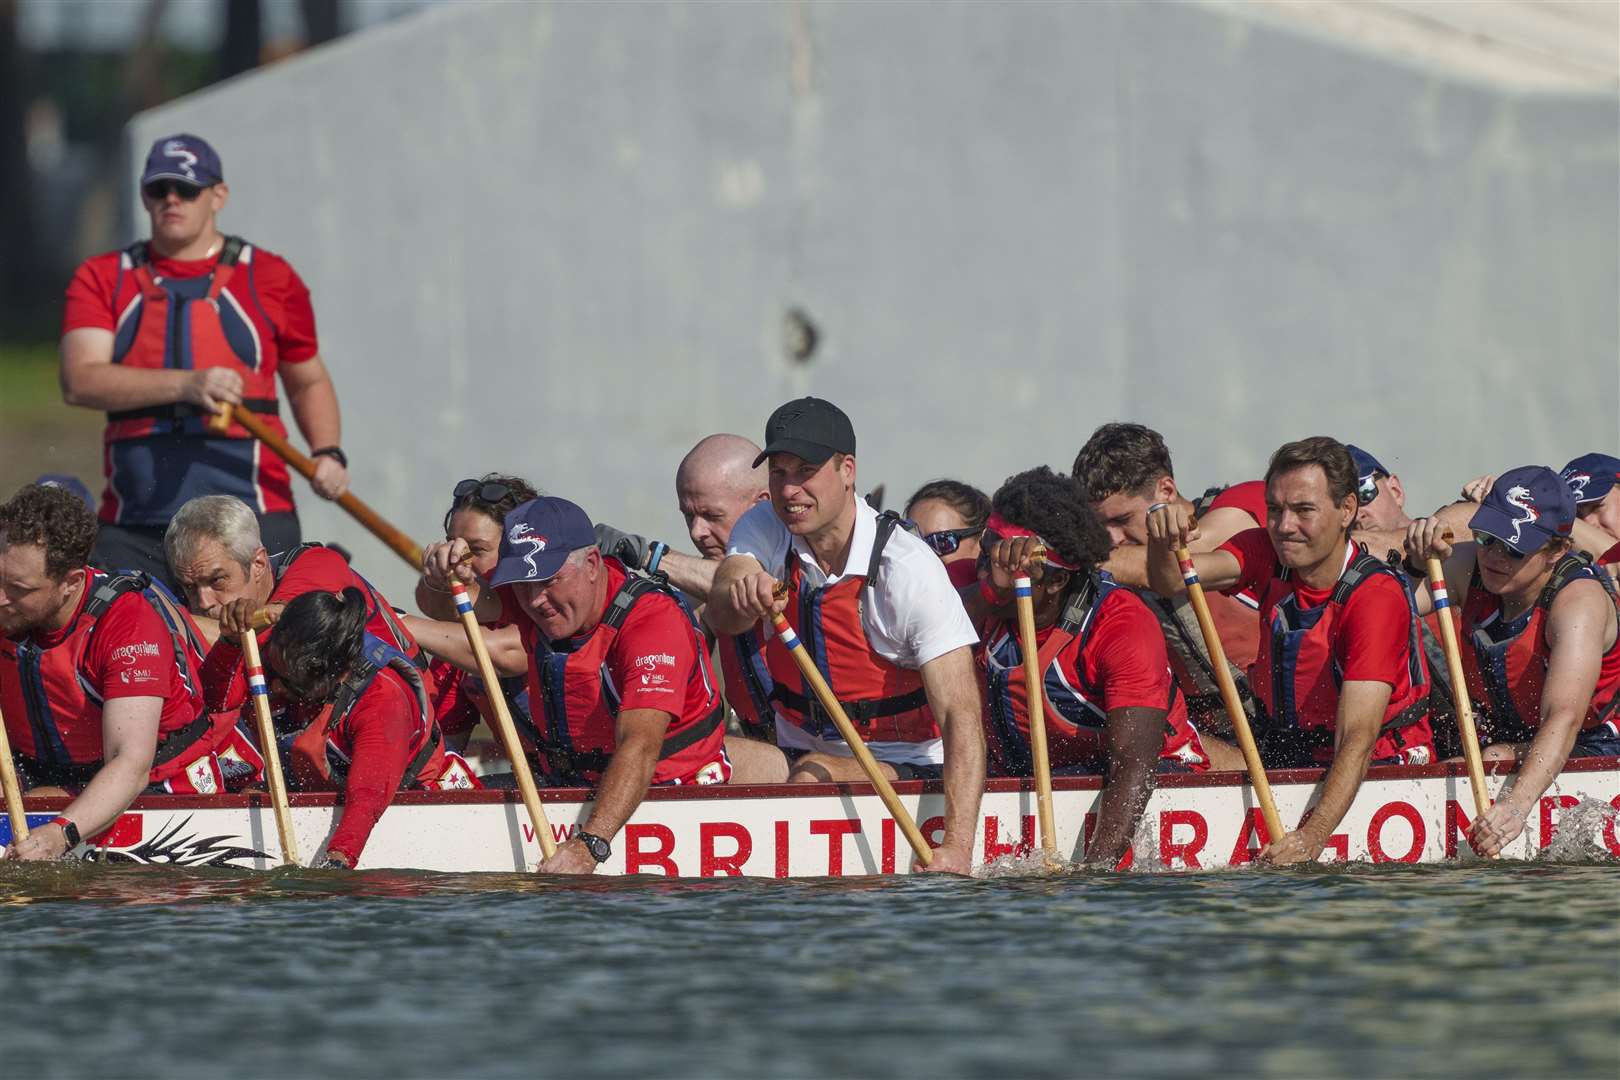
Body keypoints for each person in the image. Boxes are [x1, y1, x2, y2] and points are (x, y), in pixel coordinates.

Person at [708, 397, 986, 875]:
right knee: (699, 762)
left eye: (806, 470)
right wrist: (740, 589)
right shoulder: (766, 524)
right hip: (799, 749)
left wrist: (957, 848)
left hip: (909, 765)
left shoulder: (908, 570)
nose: (790, 489)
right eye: (778, 472)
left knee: (811, 777)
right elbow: (727, 598)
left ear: (847, 470)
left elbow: (961, 716)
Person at [58, 134, 349, 583]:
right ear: (144, 196)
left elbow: (307, 380)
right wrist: (188, 385)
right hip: (137, 521)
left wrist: (327, 452)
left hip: (253, 518)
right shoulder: (102, 277)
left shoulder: (271, 277)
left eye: (187, 189)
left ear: (218, 196)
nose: (172, 199)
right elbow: (80, 380)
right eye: (159, 189)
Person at [1146, 437, 1436, 864]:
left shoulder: (1374, 595)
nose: (1284, 525)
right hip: (1289, 749)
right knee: (1166, 746)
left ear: (1347, 511)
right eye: (1275, 509)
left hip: (1381, 763)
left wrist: (1313, 836)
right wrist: (1160, 535)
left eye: (1303, 510)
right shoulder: (1265, 551)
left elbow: (1357, 737)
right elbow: (1172, 580)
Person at [421, 496, 734, 874]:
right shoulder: (535, 589)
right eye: (523, 585)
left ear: (591, 565)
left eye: (550, 581)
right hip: (571, 782)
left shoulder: (652, 622)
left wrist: (590, 845)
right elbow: (440, 606)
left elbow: (640, 745)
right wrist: (439, 577)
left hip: (667, 787)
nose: (536, 600)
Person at [964, 468, 1242, 866]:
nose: (989, 567)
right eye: (989, 549)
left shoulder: (1121, 622)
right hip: (1045, 778)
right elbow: (928, 631)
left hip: (1147, 775)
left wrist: (1096, 876)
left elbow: (1133, 762)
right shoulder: (980, 598)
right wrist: (994, 587)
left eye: (1005, 555)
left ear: (1056, 581)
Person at [0, 484, 226, 861]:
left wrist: (60, 835)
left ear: (70, 582)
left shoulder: (126, 623)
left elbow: (130, 763)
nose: (0, 597)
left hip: (153, 785)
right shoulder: (12, 607)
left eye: (18, 588)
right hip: (45, 776)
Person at [1405, 467, 1620, 857]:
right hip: (1508, 730)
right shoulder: (1469, 565)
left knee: (1492, 758)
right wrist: (1414, 564)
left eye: (1514, 549)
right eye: (1487, 538)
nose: (1494, 556)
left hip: (1594, 741)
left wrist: (1515, 808)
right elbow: (1381, 606)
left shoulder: (1578, 603)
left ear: (1556, 551)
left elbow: (1563, 717)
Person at [213, 588, 475, 868]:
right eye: (276, 674)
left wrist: (336, 863)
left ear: (334, 674)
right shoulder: (284, 654)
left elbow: (367, 795)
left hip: (415, 795)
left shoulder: (383, 700)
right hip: (325, 788)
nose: (274, 687)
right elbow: (213, 706)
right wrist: (229, 643)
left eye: (289, 684)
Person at [1071, 421, 1264, 730]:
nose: (1112, 538)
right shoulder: (1113, 560)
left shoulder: (1243, 505)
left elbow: (1176, 566)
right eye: (1100, 525)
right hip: (1212, 733)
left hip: (1283, 724)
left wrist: (1070, 554)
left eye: (1122, 520)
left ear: (1166, 490)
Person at [402, 475, 541, 757]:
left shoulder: (550, 611)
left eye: (476, 550)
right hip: (543, 785)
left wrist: (394, 621)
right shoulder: (456, 649)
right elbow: (442, 758)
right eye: (452, 544)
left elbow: (505, 654)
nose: (457, 557)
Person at [904, 479, 991, 589]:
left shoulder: (1012, 599)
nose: (923, 554)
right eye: (913, 542)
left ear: (983, 541)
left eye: (941, 541)